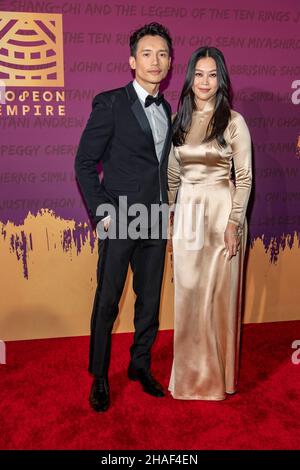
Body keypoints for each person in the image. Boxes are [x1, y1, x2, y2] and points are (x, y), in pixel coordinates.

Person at [75, 23, 173, 412]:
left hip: (155, 219)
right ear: (133, 61)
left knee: (149, 301)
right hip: (121, 218)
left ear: (169, 63)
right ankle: (99, 375)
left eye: (162, 54)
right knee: (108, 300)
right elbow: (84, 164)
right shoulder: (110, 103)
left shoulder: (167, 109)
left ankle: (140, 364)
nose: (155, 60)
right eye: (147, 53)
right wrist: (103, 214)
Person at [168, 47, 252, 400]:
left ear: (222, 80)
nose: (205, 82)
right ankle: (186, 379)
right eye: (199, 74)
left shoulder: (234, 121)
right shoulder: (180, 121)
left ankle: (220, 379)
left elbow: (244, 177)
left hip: (221, 212)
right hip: (187, 212)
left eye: (212, 74)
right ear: (190, 79)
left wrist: (234, 221)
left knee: (219, 296)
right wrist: (170, 218)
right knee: (186, 294)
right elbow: (173, 175)